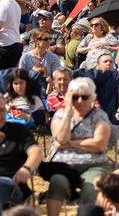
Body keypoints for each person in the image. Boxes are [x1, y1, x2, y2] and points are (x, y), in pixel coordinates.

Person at [45, 77, 112, 216]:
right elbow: (60, 139)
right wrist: (68, 114)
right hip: (65, 165)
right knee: (57, 182)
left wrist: (70, 143)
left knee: (90, 189)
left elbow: (99, 144)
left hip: (94, 164)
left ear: (92, 97)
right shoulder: (60, 115)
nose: (80, 101)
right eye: (75, 97)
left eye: (84, 97)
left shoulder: (99, 115)